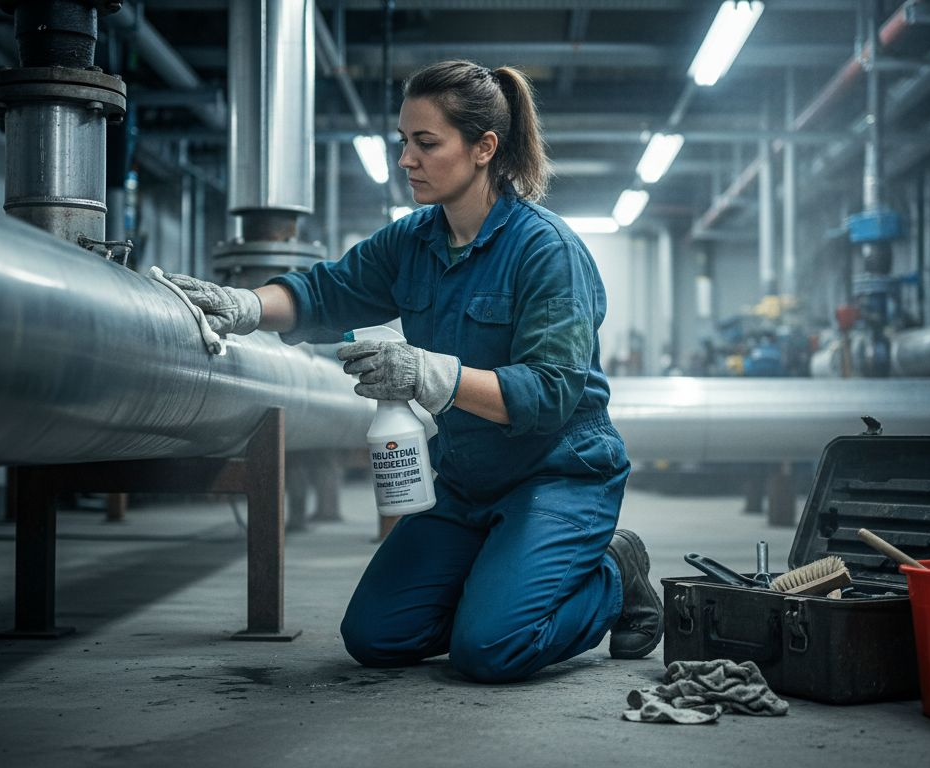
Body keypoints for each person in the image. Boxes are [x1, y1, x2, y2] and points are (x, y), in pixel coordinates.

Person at [166, 60, 661, 683]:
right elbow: (327, 291)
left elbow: (553, 394)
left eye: (427, 143)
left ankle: (615, 574)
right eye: (404, 141)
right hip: (465, 479)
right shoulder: (414, 241)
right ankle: (502, 580)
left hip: (556, 475)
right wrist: (242, 305)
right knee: (375, 635)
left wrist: (432, 375)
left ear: (485, 148)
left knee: (491, 649)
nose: (407, 159)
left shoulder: (546, 251)